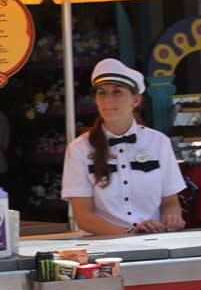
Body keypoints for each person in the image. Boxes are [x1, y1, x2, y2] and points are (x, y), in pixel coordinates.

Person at [61, 58, 186, 235]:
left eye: (117, 92)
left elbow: (170, 202)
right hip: (104, 248)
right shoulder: (79, 149)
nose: (108, 100)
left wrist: (171, 219)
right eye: (101, 93)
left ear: (135, 100)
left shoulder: (159, 143)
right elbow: (83, 217)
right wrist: (129, 234)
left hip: (154, 242)